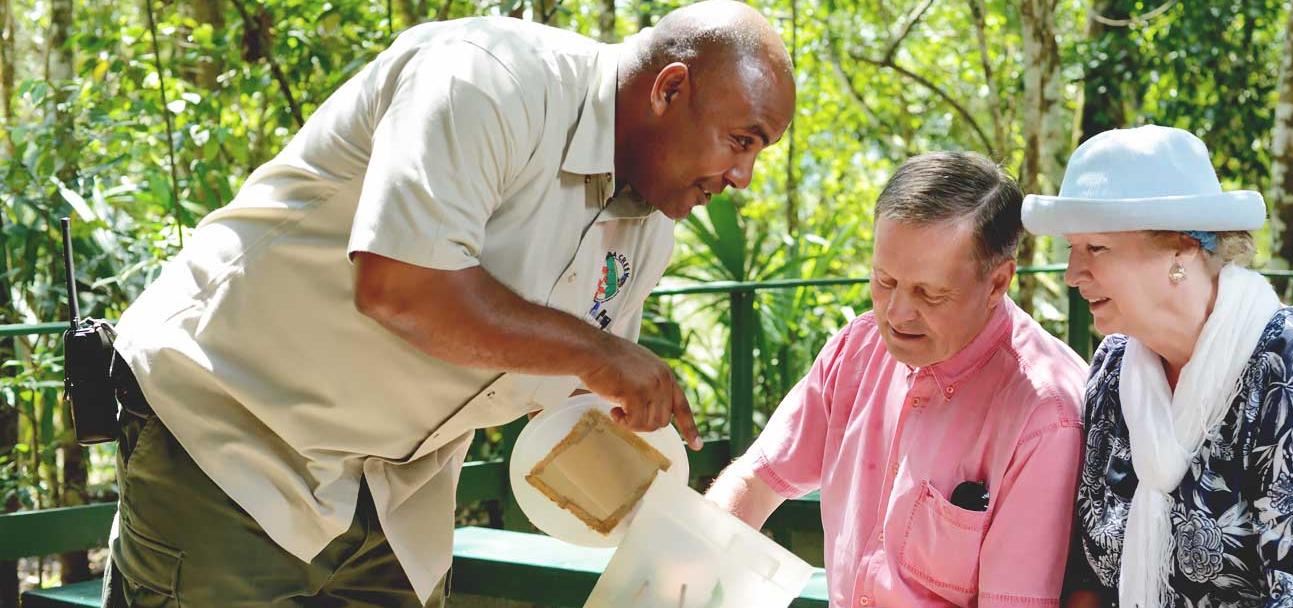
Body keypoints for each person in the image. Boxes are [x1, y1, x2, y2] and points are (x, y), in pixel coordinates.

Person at [103, 2, 795, 606]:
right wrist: (602, 355)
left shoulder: (647, 227)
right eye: (742, 141)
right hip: (236, 436)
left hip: (399, 494)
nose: (743, 176)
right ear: (670, 90)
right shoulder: (486, 78)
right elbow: (403, 288)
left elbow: (575, 402)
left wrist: (672, 527)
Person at [1022, 125, 1293, 607]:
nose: (1074, 274)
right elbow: (1088, 579)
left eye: (1096, 248)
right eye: (1072, 249)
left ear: (1181, 247)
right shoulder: (1116, 369)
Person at [706, 151, 1089, 608]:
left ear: (997, 283)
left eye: (930, 293)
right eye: (884, 281)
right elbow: (755, 480)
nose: (896, 314)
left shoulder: (1045, 414)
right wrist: (689, 561)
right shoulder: (858, 348)